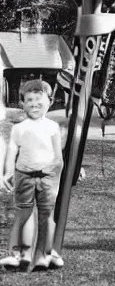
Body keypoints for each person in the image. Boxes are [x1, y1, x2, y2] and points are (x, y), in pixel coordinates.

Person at [0, 79, 64, 271]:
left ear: (49, 102)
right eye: (29, 100)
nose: (34, 105)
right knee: (23, 214)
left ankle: (45, 253)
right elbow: (11, 150)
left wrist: (54, 171)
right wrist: (8, 172)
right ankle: (18, 254)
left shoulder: (52, 127)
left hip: (46, 176)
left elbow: (58, 156)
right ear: (22, 104)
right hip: (24, 175)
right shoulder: (19, 128)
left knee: (46, 215)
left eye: (39, 101)